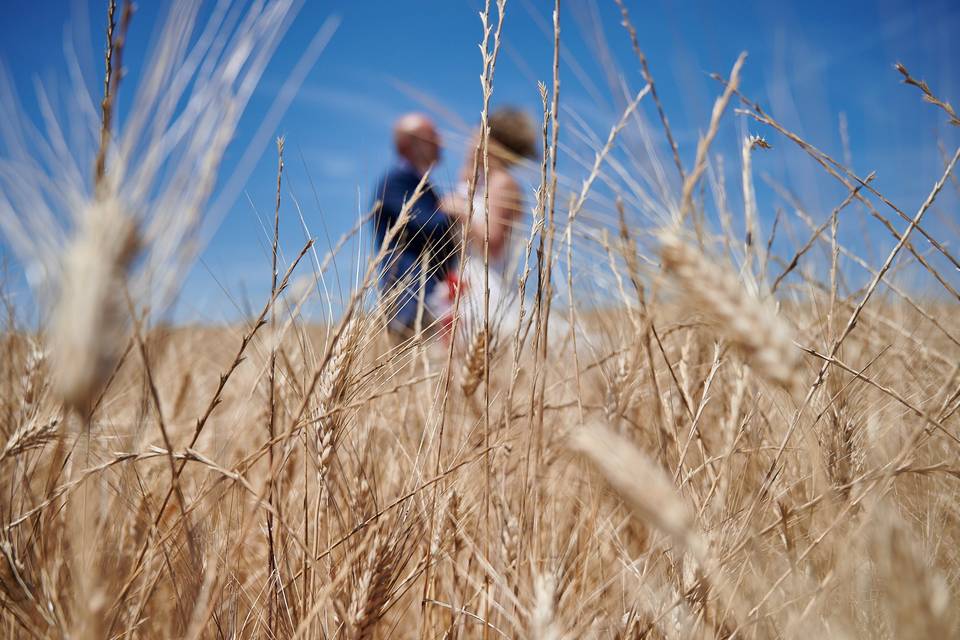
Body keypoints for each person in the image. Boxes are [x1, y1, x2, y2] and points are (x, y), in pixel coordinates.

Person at [442, 107, 539, 337]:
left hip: (488, 286)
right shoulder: (483, 183)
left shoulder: (502, 183)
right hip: (466, 281)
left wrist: (462, 211)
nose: (469, 143)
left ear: (489, 141)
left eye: (475, 136)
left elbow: (492, 241)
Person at [371, 113, 458, 339]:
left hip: (428, 292)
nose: (441, 142)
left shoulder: (423, 184)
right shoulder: (397, 181)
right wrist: (451, 212)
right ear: (410, 144)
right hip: (408, 291)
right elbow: (422, 224)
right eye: (432, 136)